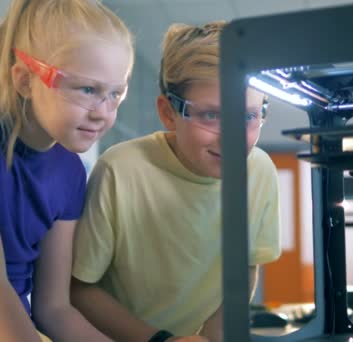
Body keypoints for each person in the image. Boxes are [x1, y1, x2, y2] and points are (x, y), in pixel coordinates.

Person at [70, 21, 281, 342]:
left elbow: (247, 265)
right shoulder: (120, 170)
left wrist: (212, 336)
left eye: (248, 116)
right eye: (210, 115)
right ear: (169, 113)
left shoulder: (260, 169)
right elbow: (79, 289)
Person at [0, 0, 134, 341]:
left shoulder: (71, 172)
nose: (103, 112)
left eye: (115, 94)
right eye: (88, 90)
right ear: (26, 81)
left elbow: (53, 309)